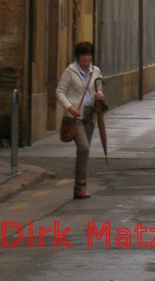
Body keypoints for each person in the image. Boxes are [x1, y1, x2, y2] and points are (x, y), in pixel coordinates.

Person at [55, 41, 105, 199]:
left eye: (89, 54)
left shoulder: (95, 71)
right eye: (83, 55)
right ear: (77, 56)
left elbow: (99, 89)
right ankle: (81, 186)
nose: (86, 58)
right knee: (84, 148)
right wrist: (69, 107)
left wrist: (100, 96)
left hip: (90, 115)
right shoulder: (70, 72)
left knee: (84, 151)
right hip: (75, 116)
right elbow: (60, 91)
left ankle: (78, 188)